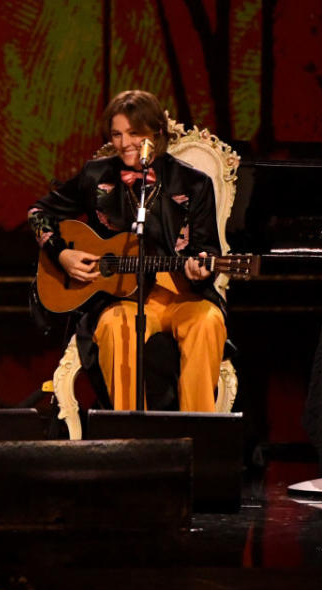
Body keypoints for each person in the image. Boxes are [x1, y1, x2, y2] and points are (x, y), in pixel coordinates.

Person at [29, 90, 226, 411]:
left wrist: (201, 266)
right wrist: (62, 254)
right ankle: (132, 438)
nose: (124, 143)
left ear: (157, 134)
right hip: (123, 298)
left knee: (207, 321)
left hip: (181, 294)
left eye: (135, 133)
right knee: (115, 327)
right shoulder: (97, 175)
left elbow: (207, 249)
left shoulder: (193, 183)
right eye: (117, 134)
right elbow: (38, 213)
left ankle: (198, 434)